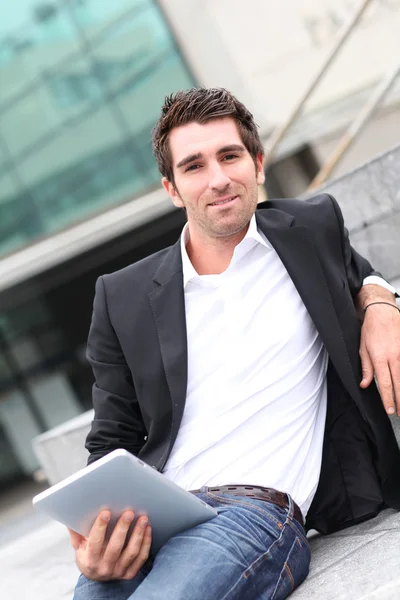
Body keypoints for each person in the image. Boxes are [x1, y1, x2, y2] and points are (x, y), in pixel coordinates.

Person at [71, 88, 400, 600]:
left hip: (257, 513)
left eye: (230, 156)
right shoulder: (123, 295)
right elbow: (111, 435)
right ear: (172, 189)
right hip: (157, 517)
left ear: (258, 164)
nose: (219, 179)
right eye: (195, 166)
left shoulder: (309, 230)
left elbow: (362, 273)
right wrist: (96, 531)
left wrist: (381, 305)